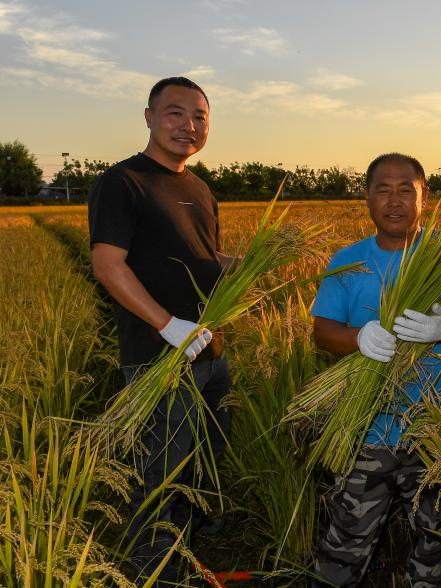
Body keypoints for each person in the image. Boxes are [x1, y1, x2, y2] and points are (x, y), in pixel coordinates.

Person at [89, 76, 233, 585]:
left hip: (210, 352)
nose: (187, 125)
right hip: (159, 353)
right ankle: (157, 572)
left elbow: (205, 258)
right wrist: (169, 325)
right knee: (162, 469)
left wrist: (247, 265)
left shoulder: (199, 188)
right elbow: (108, 264)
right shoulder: (123, 181)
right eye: (174, 113)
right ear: (149, 117)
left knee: (202, 463)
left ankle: (188, 554)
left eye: (199, 116)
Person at [310, 152, 441, 588]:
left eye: (405, 190)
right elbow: (322, 331)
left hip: (438, 431)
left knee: (436, 548)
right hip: (367, 429)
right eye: (383, 189)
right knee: (344, 547)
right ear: (367, 198)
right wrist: (358, 338)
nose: (394, 200)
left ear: (423, 197)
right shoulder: (349, 261)